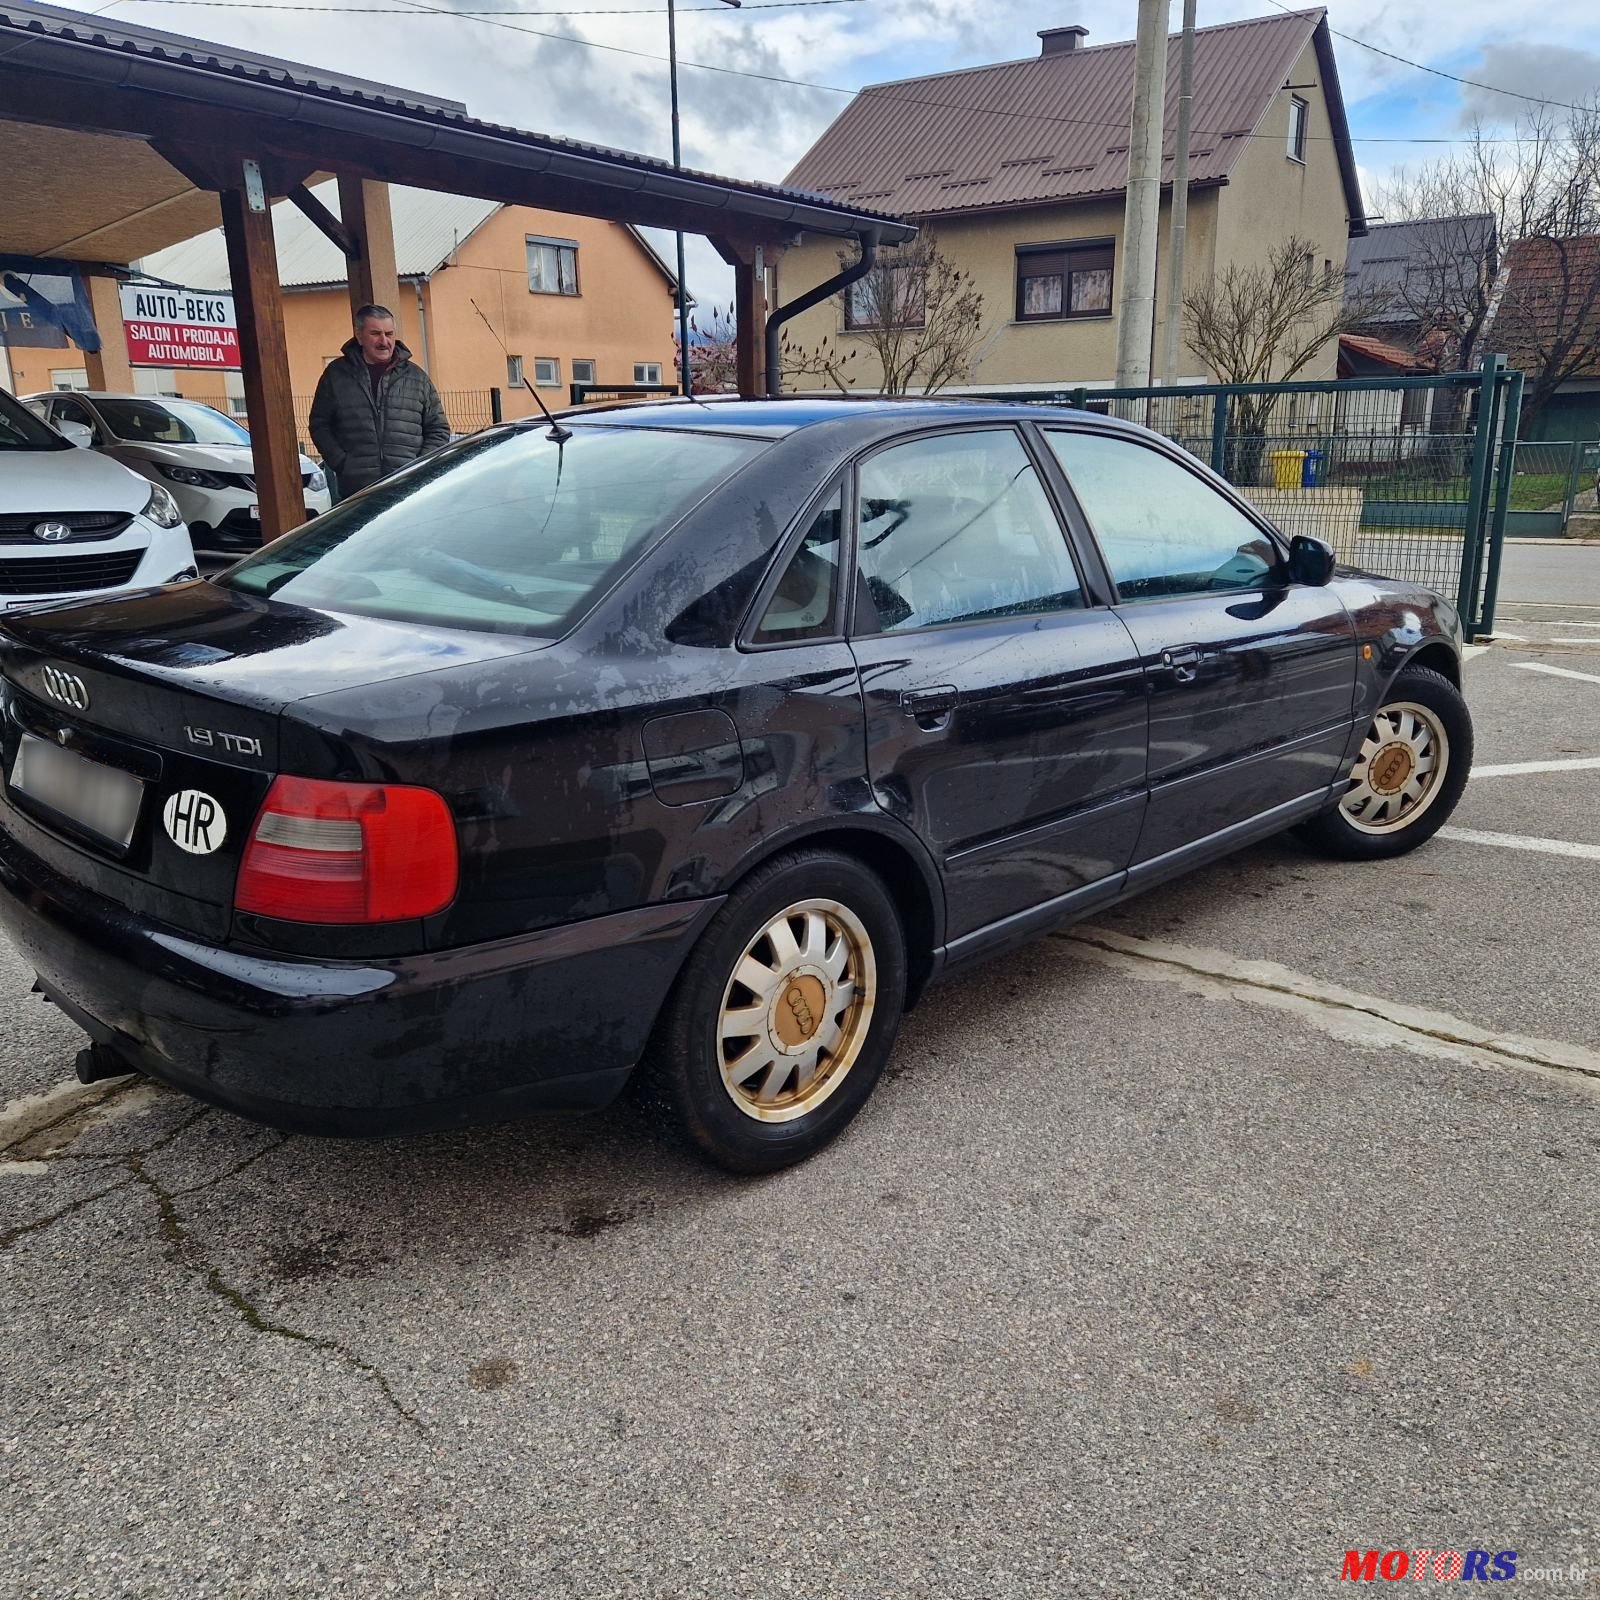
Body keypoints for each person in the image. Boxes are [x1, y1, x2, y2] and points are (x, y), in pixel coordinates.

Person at [309, 304, 450, 499]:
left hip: (409, 489)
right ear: (359, 335)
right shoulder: (336, 375)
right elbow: (319, 425)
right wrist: (343, 463)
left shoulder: (417, 378)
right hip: (357, 491)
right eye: (375, 333)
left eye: (389, 334)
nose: (384, 341)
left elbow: (438, 429)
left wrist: (418, 467)